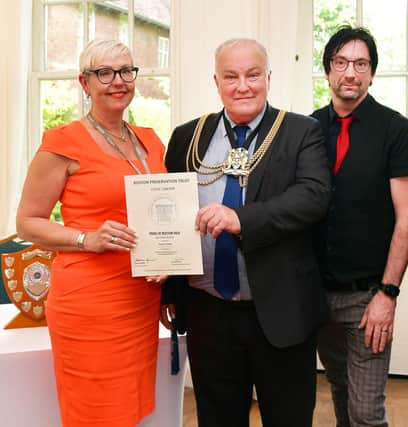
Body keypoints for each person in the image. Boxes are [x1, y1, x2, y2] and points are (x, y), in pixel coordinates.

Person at [160, 38, 331, 427]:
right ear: (216, 81)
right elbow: (168, 216)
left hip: (280, 311)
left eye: (253, 75)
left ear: (268, 78)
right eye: (231, 77)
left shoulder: (301, 131)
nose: (243, 86)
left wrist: (242, 219)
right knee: (217, 419)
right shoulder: (188, 136)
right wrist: (169, 292)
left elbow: (313, 197)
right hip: (208, 314)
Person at [16, 40, 167, 427]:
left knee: (132, 409)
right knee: (96, 413)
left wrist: (169, 261)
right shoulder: (62, 143)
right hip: (90, 304)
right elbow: (28, 222)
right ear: (85, 84)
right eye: (105, 73)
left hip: (141, 299)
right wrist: (86, 238)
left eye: (126, 71)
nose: (117, 81)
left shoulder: (150, 140)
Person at [311, 26, 408, 426]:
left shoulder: (396, 130)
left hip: (368, 297)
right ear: (327, 71)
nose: (350, 73)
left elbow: (406, 217)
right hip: (315, 294)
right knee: (339, 387)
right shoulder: (306, 129)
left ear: (372, 73)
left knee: (366, 412)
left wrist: (387, 294)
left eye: (361, 63)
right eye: (341, 63)